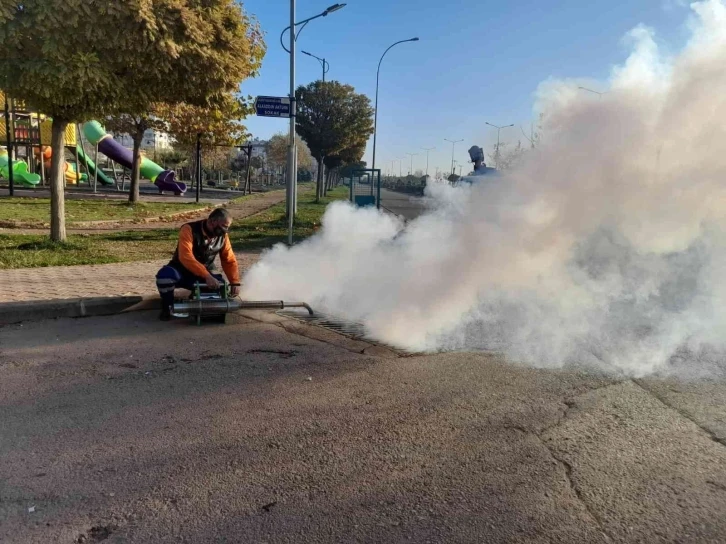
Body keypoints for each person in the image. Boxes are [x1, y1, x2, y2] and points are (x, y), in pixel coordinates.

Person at [155, 208, 241, 320]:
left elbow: (228, 260)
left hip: (203, 274)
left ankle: (195, 305)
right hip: (181, 270)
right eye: (222, 228)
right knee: (164, 277)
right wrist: (207, 276)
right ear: (211, 222)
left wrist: (234, 282)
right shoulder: (188, 229)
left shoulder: (223, 237)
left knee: (221, 287)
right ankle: (167, 307)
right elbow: (186, 257)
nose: (224, 232)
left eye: (227, 228)